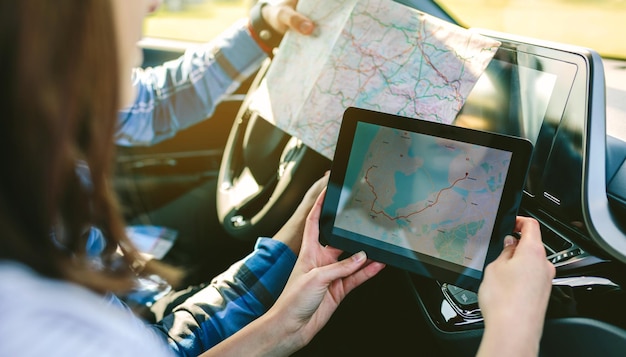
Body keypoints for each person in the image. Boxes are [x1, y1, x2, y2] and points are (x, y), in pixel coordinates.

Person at [0, 1, 555, 356]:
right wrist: (513, 328)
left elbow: (153, 102)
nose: (153, 3)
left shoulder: (34, 143)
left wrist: (282, 315)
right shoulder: (41, 320)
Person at [115, 0, 319, 287]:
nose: (154, 4)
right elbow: (157, 334)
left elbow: (155, 103)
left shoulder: (70, 91)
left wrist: (261, 28)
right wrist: (289, 245)